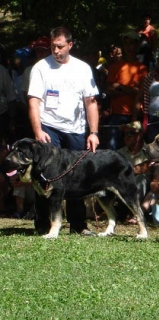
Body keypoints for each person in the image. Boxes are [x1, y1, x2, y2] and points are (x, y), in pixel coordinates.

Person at [27, 26, 100, 236]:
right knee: (46, 177)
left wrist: (93, 132)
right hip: (49, 128)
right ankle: (43, 224)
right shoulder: (40, 67)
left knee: (77, 177)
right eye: (52, 47)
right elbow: (33, 101)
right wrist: (38, 130)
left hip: (75, 129)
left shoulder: (83, 68)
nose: (56, 51)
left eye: (59, 46)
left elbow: (91, 102)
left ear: (70, 45)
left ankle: (78, 225)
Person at [104, 31, 148, 150]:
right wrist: (132, 89)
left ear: (137, 45)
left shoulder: (142, 69)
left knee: (133, 150)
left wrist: (120, 86)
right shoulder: (115, 67)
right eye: (126, 43)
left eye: (132, 43)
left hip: (134, 115)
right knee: (112, 148)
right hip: (117, 114)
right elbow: (108, 90)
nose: (129, 47)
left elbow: (142, 92)